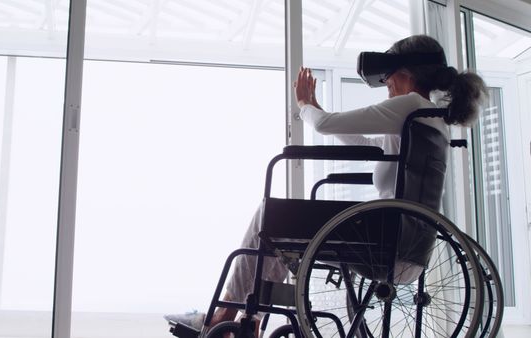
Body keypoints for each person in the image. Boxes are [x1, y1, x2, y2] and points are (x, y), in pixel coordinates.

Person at [165, 34, 487, 335]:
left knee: (269, 216)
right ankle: (250, 322)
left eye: (389, 76)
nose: (386, 83)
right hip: (409, 251)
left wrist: (305, 106)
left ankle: (223, 317)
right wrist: (317, 110)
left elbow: (326, 126)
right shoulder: (432, 119)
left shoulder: (409, 106)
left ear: (405, 73)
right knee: (281, 234)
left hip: (385, 241)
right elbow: (363, 141)